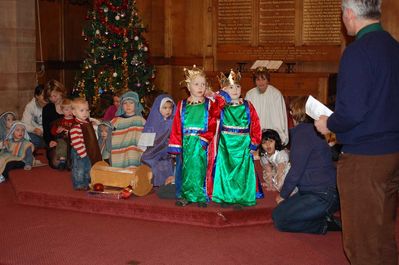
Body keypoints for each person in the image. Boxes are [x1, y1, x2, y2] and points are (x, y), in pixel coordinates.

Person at [314, 1, 399, 263]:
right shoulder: (394, 47)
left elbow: (351, 113)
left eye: (342, 13)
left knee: (361, 243)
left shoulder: (357, 52)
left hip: (365, 159)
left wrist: (328, 123)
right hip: (393, 153)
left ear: (349, 14)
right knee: (382, 235)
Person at [272, 96, 339, 235]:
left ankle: (323, 225)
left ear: (294, 114)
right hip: (326, 192)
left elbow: (296, 170)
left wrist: (283, 195)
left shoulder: (302, 132)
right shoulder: (319, 130)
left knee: (280, 218)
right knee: (285, 211)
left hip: (321, 195)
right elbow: (335, 154)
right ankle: (322, 216)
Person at [211, 70, 263, 207]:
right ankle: (226, 196)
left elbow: (256, 125)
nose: (235, 90)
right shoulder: (222, 106)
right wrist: (219, 98)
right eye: (230, 87)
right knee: (225, 170)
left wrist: (254, 143)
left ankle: (242, 197)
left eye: (238, 86)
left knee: (242, 172)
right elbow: (213, 114)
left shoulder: (247, 105)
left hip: (243, 144)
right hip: (226, 144)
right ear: (223, 89)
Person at [168, 65, 217, 207]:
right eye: (196, 84)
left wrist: (205, 138)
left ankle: (201, 196)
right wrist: (176, 146)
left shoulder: (209, 104)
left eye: (203, 84)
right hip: (187, 143)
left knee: (201, 169)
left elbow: (212, 122)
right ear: (189, 86)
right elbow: (177, 126)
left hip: (202, 143)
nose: (200, 87)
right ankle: (187, 195)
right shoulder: (182, 105)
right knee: (186, 169)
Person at [245, 67, 289, 145]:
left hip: (273, 135)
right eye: (258, 79)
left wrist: (281, 136)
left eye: (263, 79)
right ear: (254, 81)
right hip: (255, 135)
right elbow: (246, 116)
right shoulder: (250, 95)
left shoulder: (276, 94)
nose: (261, 82)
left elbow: (281, 118)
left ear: (268, 80)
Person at [141, 94, 176, 186]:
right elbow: (147, 137)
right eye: (165, 108)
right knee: (147, 158)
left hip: (167, 151)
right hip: (154, 150)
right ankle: (152, 183)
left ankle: (166, 184)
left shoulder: (173, 121)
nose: (168, 110)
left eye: (170, 108)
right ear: (159, 108)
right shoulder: (153, 121)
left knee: (166, 163)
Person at [70, 98, 102, 190]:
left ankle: (87, 182)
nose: (85, 113)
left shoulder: (86, 123)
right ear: (74, 112)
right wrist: (82, 153)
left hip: (87, 150)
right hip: (79, 152)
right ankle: (79, 183)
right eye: (81, 110)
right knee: (79, 168)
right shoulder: (76, 126)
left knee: (88, 167)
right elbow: (76, 142)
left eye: (87, 110)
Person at [111, 91, 146, 168]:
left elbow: (145, 137)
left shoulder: (140, 120)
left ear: (136, 105)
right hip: (117, 152)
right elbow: (108, 131)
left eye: (131, 103)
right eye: (125, 103)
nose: (128, 105)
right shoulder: (116, 120)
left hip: (134, 151)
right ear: (121, 106)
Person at [42, 79, 66, 168]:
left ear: (61, 92)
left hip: (71, 140)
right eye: (50, 97)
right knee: (56, 163)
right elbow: (46, 130)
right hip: (55, 141)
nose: (53, 99)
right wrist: (49, 141)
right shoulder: (47, 109)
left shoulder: (70, 104)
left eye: (55, 96)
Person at [50, 99, 74, 170]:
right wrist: (57, 131)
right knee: (62, 144)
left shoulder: (76, 121)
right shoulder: (59, 122)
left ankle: (74, 162)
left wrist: (69, 131)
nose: (70, 112)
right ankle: (62, 160)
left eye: (71, 109)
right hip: (63, 139)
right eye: (67, 110)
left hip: (73, 139)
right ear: (62, 111)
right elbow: (53, 132)